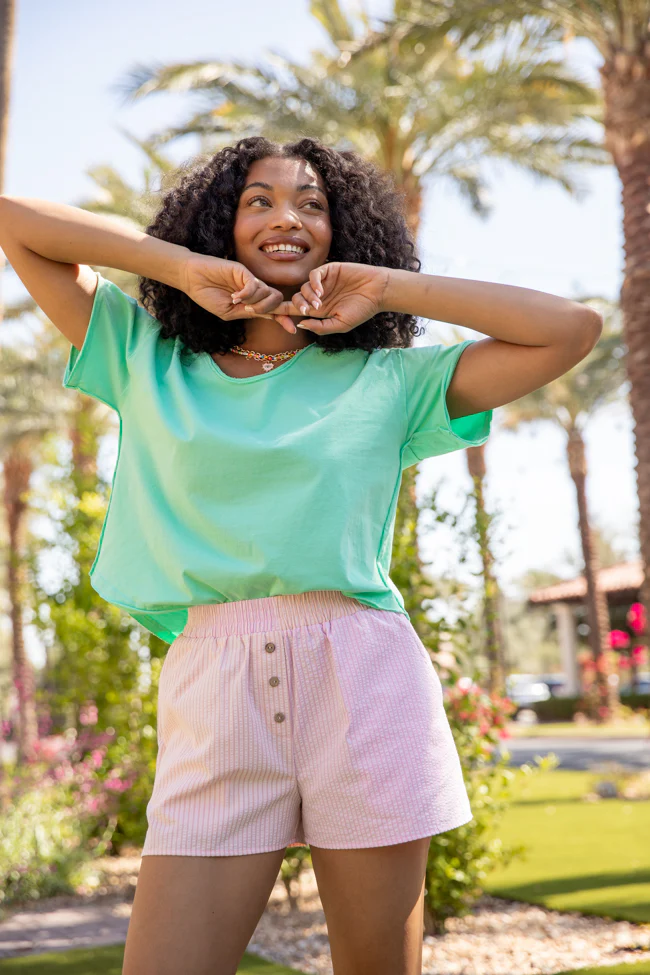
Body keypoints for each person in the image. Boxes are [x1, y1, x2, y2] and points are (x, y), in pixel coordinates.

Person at [0, 135, 601, 975]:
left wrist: (385, 286)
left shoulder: (391, 379)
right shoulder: (143, 356)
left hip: (365, 676)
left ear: (340, 233)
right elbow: (17, 220)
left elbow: (572, 329)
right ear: (220, 223)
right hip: (214, 683)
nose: (288, 217)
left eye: (313, 204)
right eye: (259, 201)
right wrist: (182, 269)